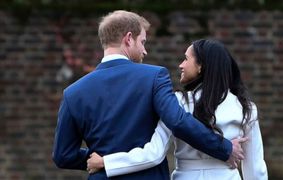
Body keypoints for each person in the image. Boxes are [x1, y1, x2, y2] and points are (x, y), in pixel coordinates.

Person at [52, 10, 247, 180]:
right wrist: (225, 148)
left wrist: (101, 161)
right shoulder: (154, 76)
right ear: (128, 39)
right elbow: (178, 122)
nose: (145, 50)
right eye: (142, 42)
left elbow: (63, 155)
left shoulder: (73, 93)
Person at [86, 39, 268, 179]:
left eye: (186, 59)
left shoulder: (177, 103)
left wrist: (107, 162)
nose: (181, 64)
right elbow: (255, 169)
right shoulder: (246, 108)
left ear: (200, 66)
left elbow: (154, 153)